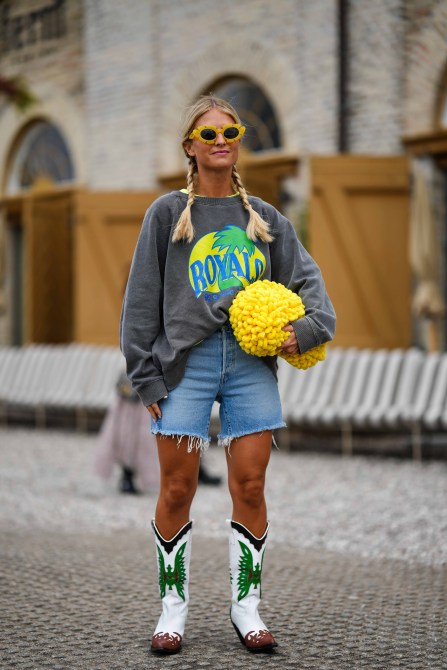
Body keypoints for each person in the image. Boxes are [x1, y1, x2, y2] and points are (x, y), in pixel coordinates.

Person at [120, 95, 336, 654]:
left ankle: (247, 607)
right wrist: (146, 378)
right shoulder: (167, 214)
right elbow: (140, 303)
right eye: (208, 134)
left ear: (239, 141)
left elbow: (317, 300)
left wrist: (302, 333)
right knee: (175, 488)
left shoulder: (266, 219)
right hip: (183, 366)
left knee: (251, 484)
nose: (221, 141)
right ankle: (172, 610)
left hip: (248, 366)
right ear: (190, 146)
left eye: (230, 131)